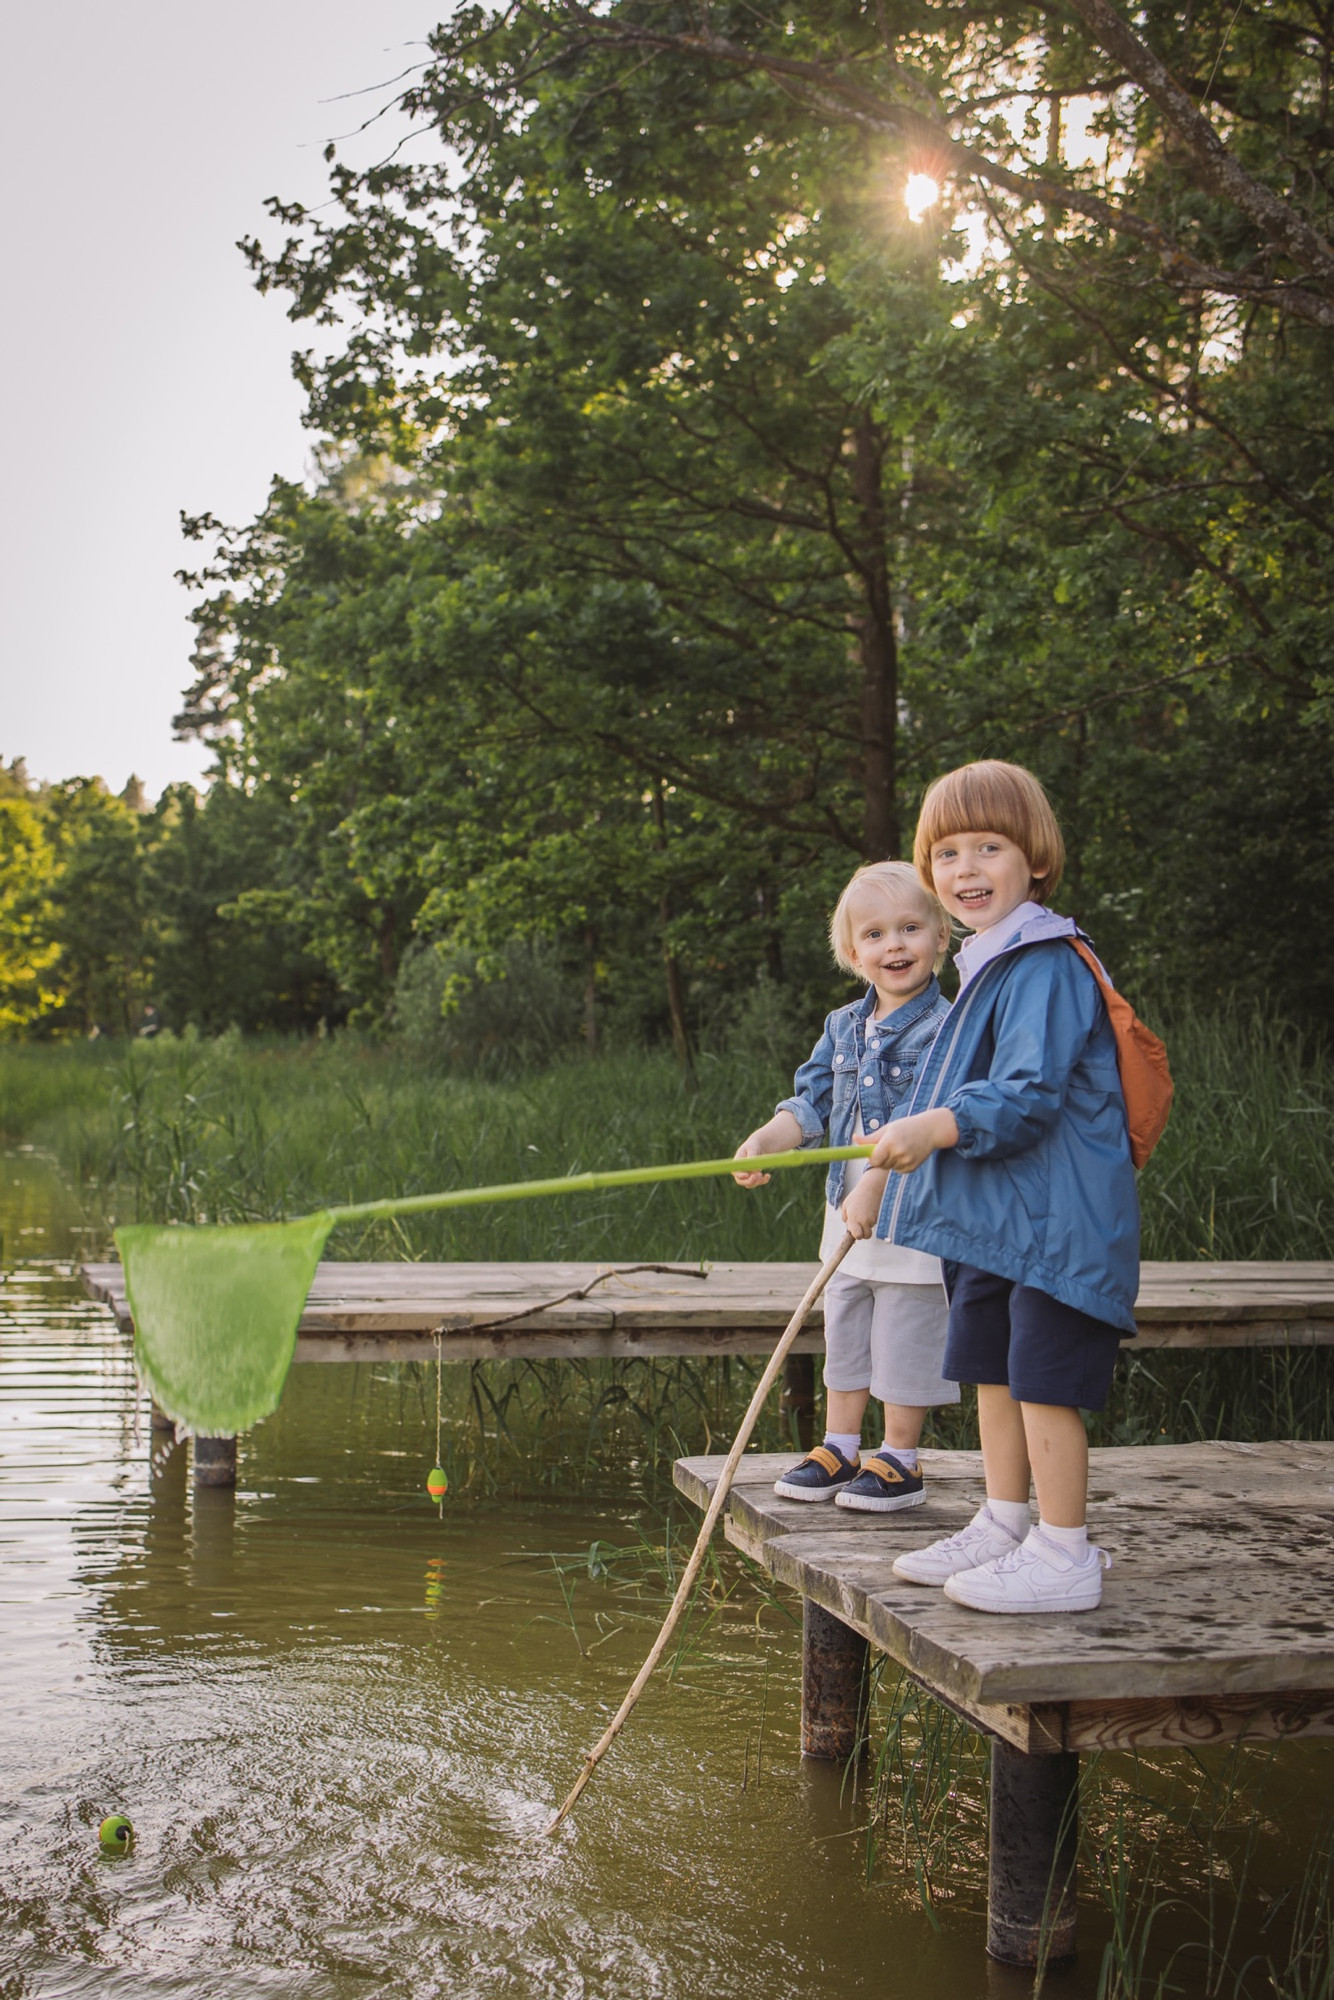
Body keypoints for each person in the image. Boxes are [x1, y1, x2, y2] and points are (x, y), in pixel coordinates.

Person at [865, 760, 1139, 1613]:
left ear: (1036, 859)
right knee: (991, 1363)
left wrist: (934, 1127)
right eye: (946, 853)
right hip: (998, 1222)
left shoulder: (1045, 961)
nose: (966, 869)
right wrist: (887, 1163)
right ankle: (1003, 1519)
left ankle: (1065, 1553)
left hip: (1057, 1225)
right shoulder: (985, 960)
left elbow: (1025, 1096)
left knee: (1045, 1377)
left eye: (990, 846)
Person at [733, 861, 958, 1511]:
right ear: (853, 952)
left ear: (940, 937)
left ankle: (899, 1457)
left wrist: (877, 1186)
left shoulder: (947, 1027)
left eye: (911, 928)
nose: (895, 945)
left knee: (905, 1326)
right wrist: (767, 1140)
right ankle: (840, 1444)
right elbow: (809, 1104)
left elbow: (925, 1112)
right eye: (877, 934)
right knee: (848, 1323)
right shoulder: (841, 1028)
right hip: (846, 1212)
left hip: (912, 1215)